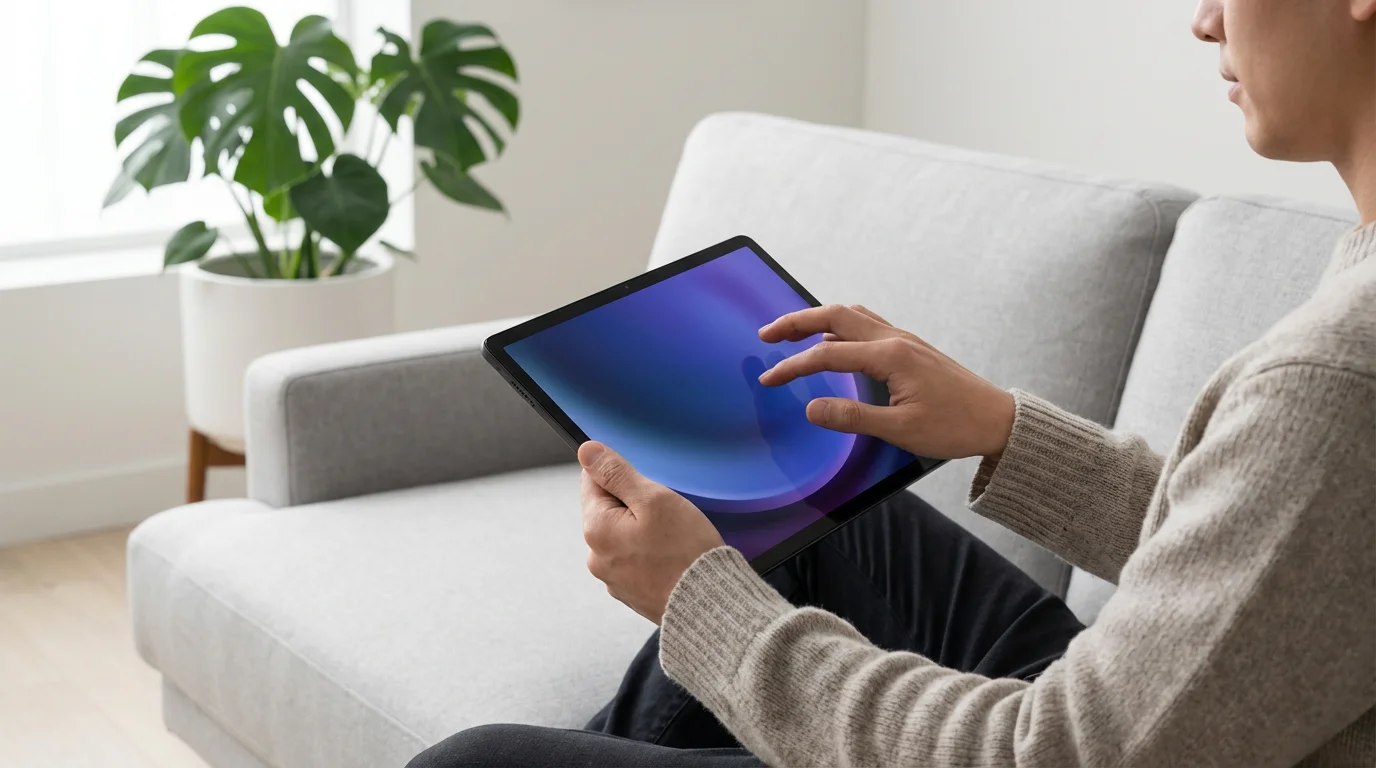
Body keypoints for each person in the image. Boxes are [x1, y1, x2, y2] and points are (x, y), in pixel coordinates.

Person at [410, 0, 1375, 764]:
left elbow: (1058, 756)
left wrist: (703, 605)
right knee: (820, 525)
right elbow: (1283, 558)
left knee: (474, 763)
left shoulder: (1336, 373)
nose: (1203, 17)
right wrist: (1001, 428)